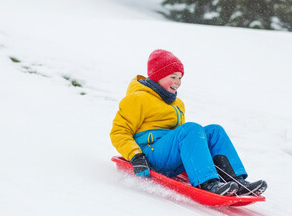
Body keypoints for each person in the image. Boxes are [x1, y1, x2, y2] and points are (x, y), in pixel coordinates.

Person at [110, 49, 267, 196]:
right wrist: (136, 156)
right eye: (172, 77)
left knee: (214, 131)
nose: (177, 82)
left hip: (170, 155)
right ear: (157, 76)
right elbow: (119, 131)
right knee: (190, 128)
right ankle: (207, 183)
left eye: (180, 77)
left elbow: (182, 139)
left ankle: (236, 180)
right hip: (149, 156)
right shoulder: (138, 98)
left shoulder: (178, 103)